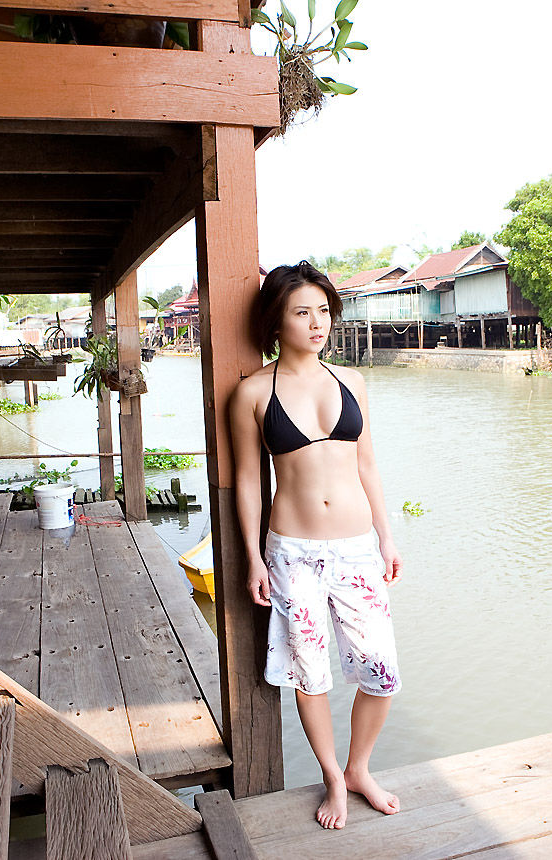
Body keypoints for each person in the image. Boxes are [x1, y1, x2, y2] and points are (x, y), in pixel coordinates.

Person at [229, 261, 403, 830]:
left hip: (356, 549)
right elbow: (251, 480)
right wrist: (253, 556)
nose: (317, 322)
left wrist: (386, 536)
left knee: (381, 671)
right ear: (277, 322)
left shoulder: (352, 382)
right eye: (302, 312)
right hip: (293, 552)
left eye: (324, 310)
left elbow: (369, 464)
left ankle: (359, 768)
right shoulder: (253, 392)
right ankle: (332, 777)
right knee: (311, 673)